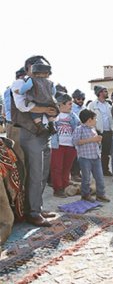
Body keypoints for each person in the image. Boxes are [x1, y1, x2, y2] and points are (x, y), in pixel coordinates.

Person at [13, 56, 60, 227]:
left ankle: (37, 208)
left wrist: (52, 111)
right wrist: (46, 108)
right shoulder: (20, 83)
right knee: (35, 174)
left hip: (45, 132)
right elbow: (23, 105)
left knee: (42, 173)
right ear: (29, 68)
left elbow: (53, 106)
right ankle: (32, 213)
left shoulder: (47, 84)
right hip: (31, 133)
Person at [72, 109, 110, 203]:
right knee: (86, 178)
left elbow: (94, 142)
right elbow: (75, 142)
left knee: (99, 177)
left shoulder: (93, 129)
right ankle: (85, 195)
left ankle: (100, 195)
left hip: (96, 157)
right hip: (85, 158)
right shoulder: (79, 129)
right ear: (89, 120)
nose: (96, 121)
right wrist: (92, 140)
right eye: (95, 119)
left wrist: (98, 141)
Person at [16, 56, 58, 135]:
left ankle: (40, 126)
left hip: (36, 100)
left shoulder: (31, 80)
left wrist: (20, 91)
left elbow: (24, 89)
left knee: (35, 114)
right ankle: (52, 125)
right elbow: (53, 92)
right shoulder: (50, 82)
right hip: (48, 101)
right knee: (50, 113)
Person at [49, 93, 80, 198]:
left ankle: (65, 186)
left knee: (67, 167)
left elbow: (79, 128)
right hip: (58, 145)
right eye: (69, 104)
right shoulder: (55, 116)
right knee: (57, 167)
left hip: (71, 145)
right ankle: (58, 188)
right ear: (61, 105)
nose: (71, 106)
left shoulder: (73, 116)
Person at [88, 85, 113, 176]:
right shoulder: (92, 105)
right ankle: (95, 170)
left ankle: (105, 169)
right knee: (95, 152)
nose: (107, 92)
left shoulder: (109, 104)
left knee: (106, 152)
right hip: (97, 131)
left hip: (108, 131)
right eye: (105, 91)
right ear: (100, 93)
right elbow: (89, 119)